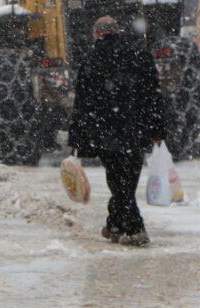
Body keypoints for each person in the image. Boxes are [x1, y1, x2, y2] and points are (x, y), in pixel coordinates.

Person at [68, 16, 165, 247]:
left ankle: (132, 228)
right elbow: (154, 95)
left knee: (117, 179)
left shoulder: (90, 60)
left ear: (97, 34)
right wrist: (157, 128)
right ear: (118, 31)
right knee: (128, 178)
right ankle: (118, 224)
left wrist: (77, 138)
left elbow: (82, 103)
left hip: (106, 132)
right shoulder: (140, 56)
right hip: (135, 129)